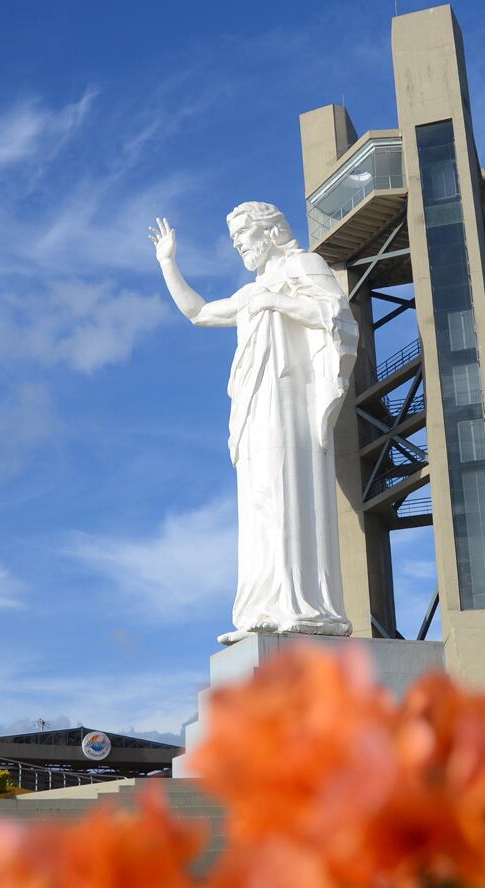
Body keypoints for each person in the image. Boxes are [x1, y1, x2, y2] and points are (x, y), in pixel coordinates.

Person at [150, 203, 357, 644]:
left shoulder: (305, 265)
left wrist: (277, 300)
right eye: (235, 240)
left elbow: (336, 314)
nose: (239, 245)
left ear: (269, 231)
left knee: (289, 491)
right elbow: (200, 313)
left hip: (291, 402)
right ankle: (264, 605)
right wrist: (168, 262)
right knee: (260, 499)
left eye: (243, 236)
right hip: (256, 404)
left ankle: (302, 605)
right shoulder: (249, 292)